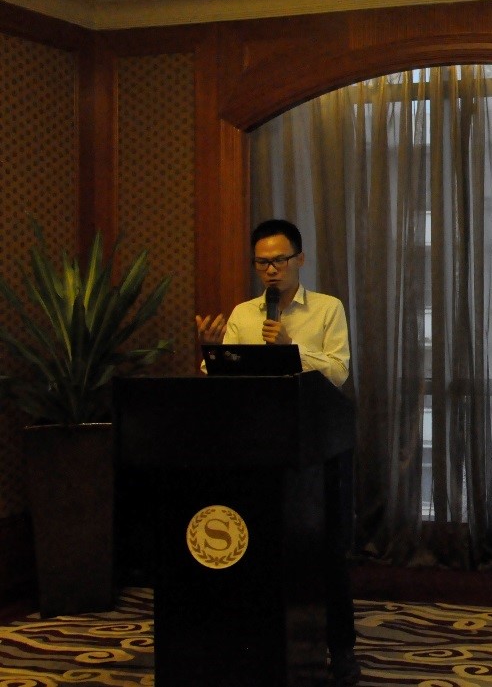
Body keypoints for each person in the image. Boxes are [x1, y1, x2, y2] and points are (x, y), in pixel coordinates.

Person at [195, 218, 359, 685]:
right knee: (261, 548)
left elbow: (339, 372)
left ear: (299, 259)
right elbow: (221, 377)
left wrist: (292, 349)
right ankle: (261, 642)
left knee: (325, 551)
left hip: (317, 448)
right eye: (262, 262)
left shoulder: (327, 309)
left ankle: (340, 649)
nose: (271, 269)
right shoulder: (243, 314)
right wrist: (211, 352)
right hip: (259, 448)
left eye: (280, 260)